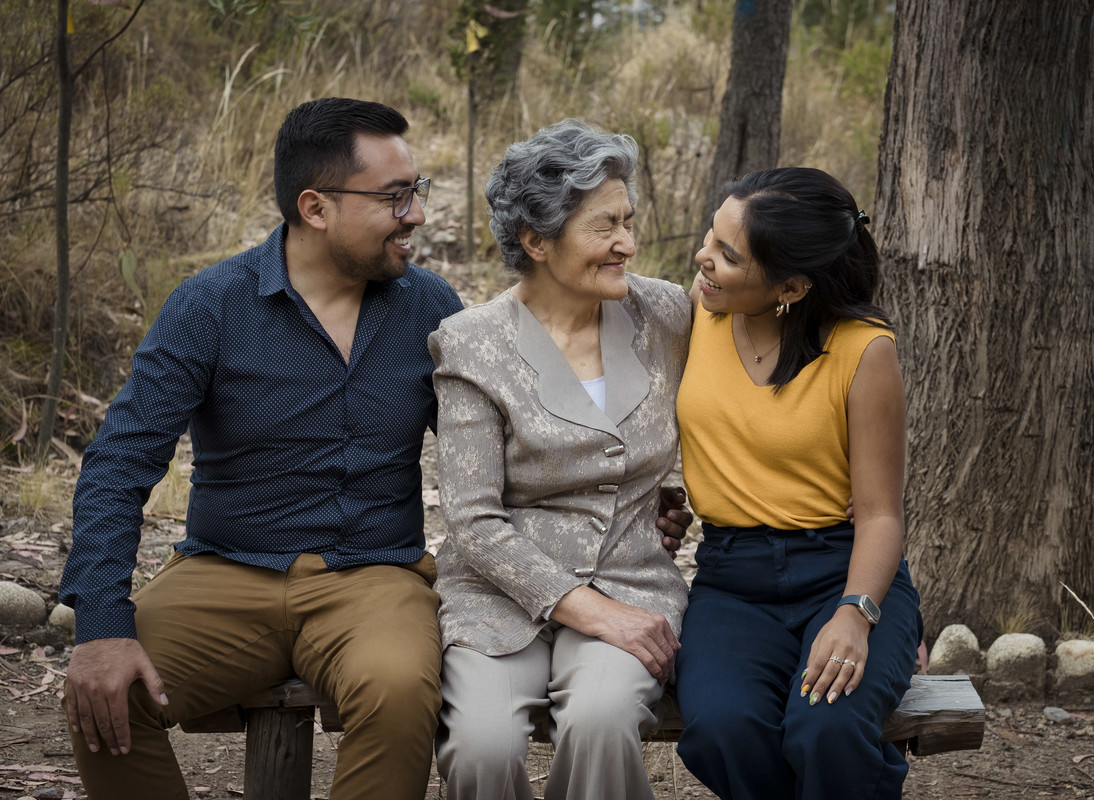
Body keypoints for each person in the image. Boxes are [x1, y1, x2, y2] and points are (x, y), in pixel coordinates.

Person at [58, 97, 464, 800]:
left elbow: (492, 457)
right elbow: (118, 466)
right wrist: (99, 624)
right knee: (105, 694)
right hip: (227, 571)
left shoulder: (431, 308)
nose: (417, 215)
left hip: (374, 576)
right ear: (316, 207)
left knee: (400, 692)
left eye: (417, 192)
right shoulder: (210, 306)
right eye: (396, 197)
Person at [429, 119, 691, 800]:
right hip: (498, 596)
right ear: (536, 241)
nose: (627, 244)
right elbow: (473, 521)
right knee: (482, 748)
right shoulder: (471, 344)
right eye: (604, 227)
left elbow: (741, 411)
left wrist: (681, 494)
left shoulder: (667, 315)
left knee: (603, 722)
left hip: (630, 581)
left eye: (629, 221)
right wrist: (593, 612)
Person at [673, 167, 924, 799]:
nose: (704, 257)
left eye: (728, 255)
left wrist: (858, 613)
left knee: (826, 727)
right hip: (733, 578)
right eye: (711, 234)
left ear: (790, 284)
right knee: (720, 727)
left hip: (842, 570)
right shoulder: (694, 313)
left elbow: (882, 515)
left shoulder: (863, 352)